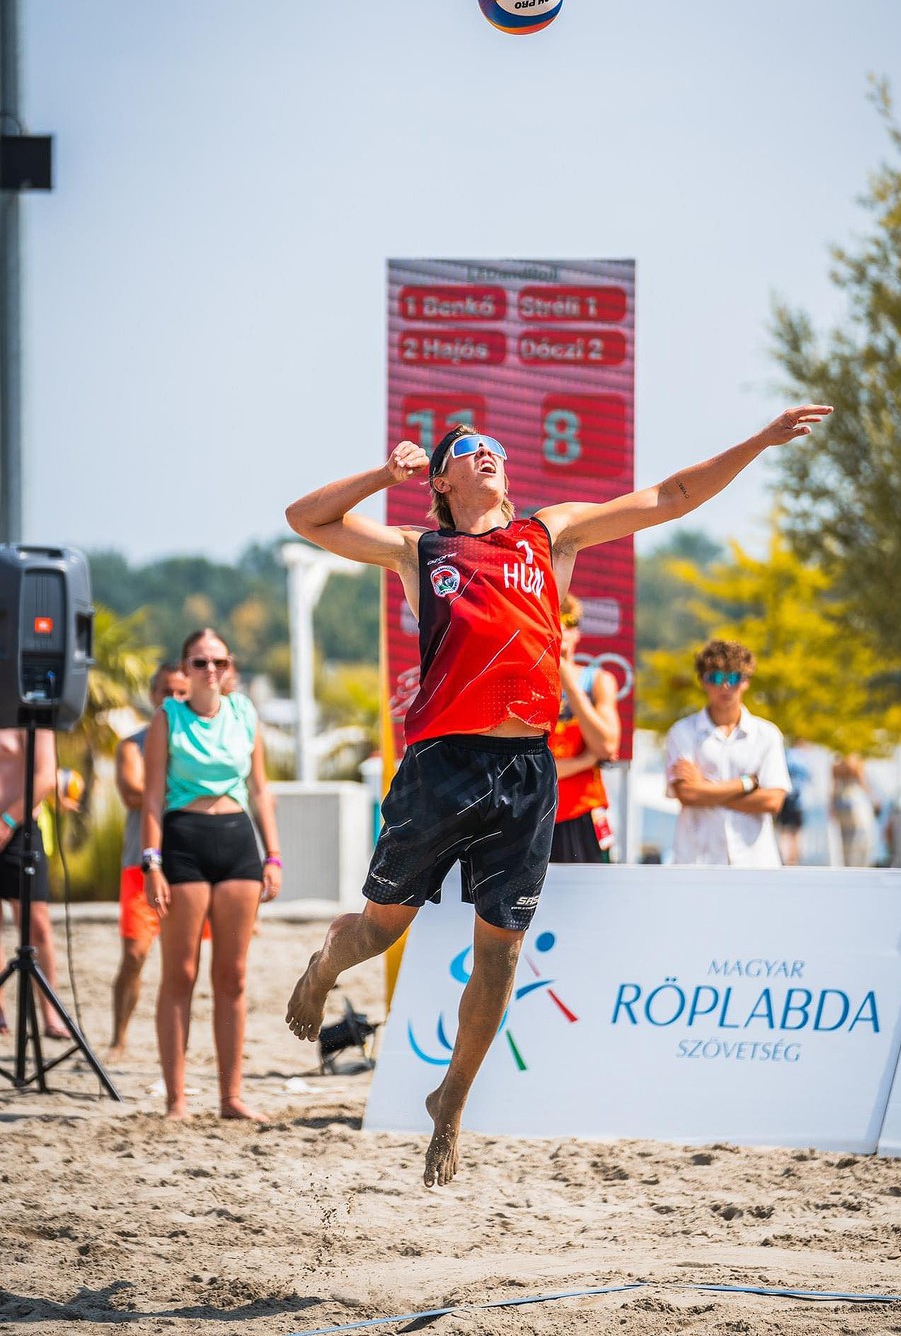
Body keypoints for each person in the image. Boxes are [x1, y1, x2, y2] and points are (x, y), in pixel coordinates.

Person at [283, 403, 831, 1186]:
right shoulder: (419, 549)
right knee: (375, 932)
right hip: (442, 765)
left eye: (492, 446)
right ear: (442, 481)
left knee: (501, 956)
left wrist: (759, 440)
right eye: (468, 449)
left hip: (527, 771)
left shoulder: (549, 535)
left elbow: (671, 496)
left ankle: (451, 1099)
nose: (487, 453)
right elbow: (305, 519)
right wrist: (381, 474)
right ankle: (321, 970)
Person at [141, 629, 282, 1120]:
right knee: (180, 973)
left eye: (218, 662)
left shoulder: (244, 712)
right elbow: (151, 797)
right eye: (200, 662)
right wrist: (151, 863)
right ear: (185, 668)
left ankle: (230, 1097)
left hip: (238, 841)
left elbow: (261, 789)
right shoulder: (168, 717)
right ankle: (176, 1099)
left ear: (230, 666)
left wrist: (274, 855)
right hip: (184, 841)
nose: (210, 671)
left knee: (233, 976)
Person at [107, 661, 189, 1061]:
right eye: (166, 691)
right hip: (141, 863)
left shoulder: (198, 743)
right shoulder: (132, 744)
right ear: (153, 695)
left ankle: (177, 1048)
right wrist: (189, 790)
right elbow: (132, 793)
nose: (173, 698)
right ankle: (118, 1039)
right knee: (135, 955)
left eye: (181, 692)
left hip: (188, 862)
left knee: (185, 963)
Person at [665, 640, 792, 868]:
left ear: (746, 681)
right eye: (714, 677)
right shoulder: (681, 731)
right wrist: (746, 784)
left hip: (755, 863)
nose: (724, 686)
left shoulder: (768, 734)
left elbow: (773, 801)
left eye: (733, 677)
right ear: (702, 681)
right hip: (697, 861)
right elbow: (688, 795)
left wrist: (705, 788)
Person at [0, 726, 71, 1039]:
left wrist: (7, 821)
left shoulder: (30, 710)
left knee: (36, 924)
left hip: (19, 827)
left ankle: (51, 1013)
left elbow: (46, 777)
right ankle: (0, 1009)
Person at [548, 593, 620, 863]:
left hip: (582, 811)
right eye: (554, 621)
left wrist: (569, 682)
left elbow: (606, 746)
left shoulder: (598, 680)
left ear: (578, 632)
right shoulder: (524, 682)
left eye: (569, 622)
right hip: (534, 811)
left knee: (595, 887)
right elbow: (533, 771)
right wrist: (585, 761)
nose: (561, 630)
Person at [830, 753, 877, 867]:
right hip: (855, 801)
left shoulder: (836, 764)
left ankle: (848, 863)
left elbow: (833, 786)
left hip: (841, 802)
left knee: (845, 837)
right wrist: (874, 800)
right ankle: (859, 864)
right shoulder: (855, 762)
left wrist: (832, 806)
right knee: (861, 835)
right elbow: (863, 783)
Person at [775, 739, 812, 866]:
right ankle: (794, 860)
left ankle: (784, 858)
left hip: (783, 798)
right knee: (796, 832)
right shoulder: (803, 759)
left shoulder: (786, 755)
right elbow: (809, 778)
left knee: (784, 830)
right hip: (799, 800)